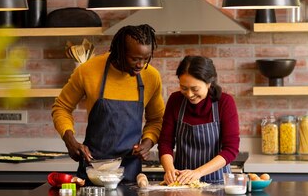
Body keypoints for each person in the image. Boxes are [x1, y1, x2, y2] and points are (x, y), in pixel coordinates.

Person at [52, 24, 165, 183]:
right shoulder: (88, 70)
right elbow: (61, 107)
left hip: (130, 171)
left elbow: (156, 119)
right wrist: (70, 141)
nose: (141, 65)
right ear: (119, 52)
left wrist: (148, 142)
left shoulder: (151, 77)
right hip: (93, 169)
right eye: (135, 59)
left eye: (146, 59)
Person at [158, 55, 240, 184]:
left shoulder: (224, 103)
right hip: (181, 182)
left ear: (209, 83)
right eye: (184, 88)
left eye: (195, 89)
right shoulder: (175, 100)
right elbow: (165, 142)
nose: (189, 94)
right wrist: (169, 170)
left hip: (217, 182)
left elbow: (231, 149)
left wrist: (198, 173)